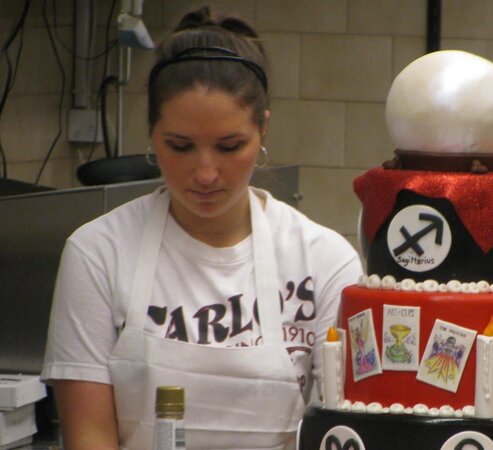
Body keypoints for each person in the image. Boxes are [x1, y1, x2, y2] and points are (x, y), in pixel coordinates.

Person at [41, 7, 362, 450]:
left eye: (230, 146)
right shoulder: (98, 253)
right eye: (180, 146)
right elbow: (90, 437)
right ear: (152, 133)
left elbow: (339, 432)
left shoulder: (324, 261)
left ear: (262, 128)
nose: (206, 173)